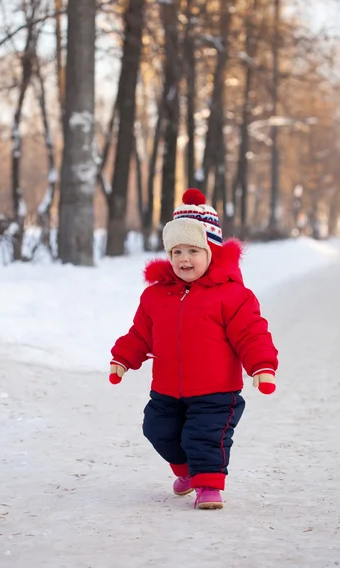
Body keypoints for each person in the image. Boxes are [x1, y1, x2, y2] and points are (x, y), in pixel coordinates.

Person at [109, 189, 278, 510]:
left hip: (216, 391)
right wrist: (123, 357)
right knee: (156, 429)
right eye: (176, 252)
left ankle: (209, 487)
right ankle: (186, 472)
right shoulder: (155, 297)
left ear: (211, 252)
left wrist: (262, 366)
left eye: (192, 251)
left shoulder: (232, 296)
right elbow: (141, 333)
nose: (183, 259)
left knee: (204, 438)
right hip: (166, 389)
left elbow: (252, 334)